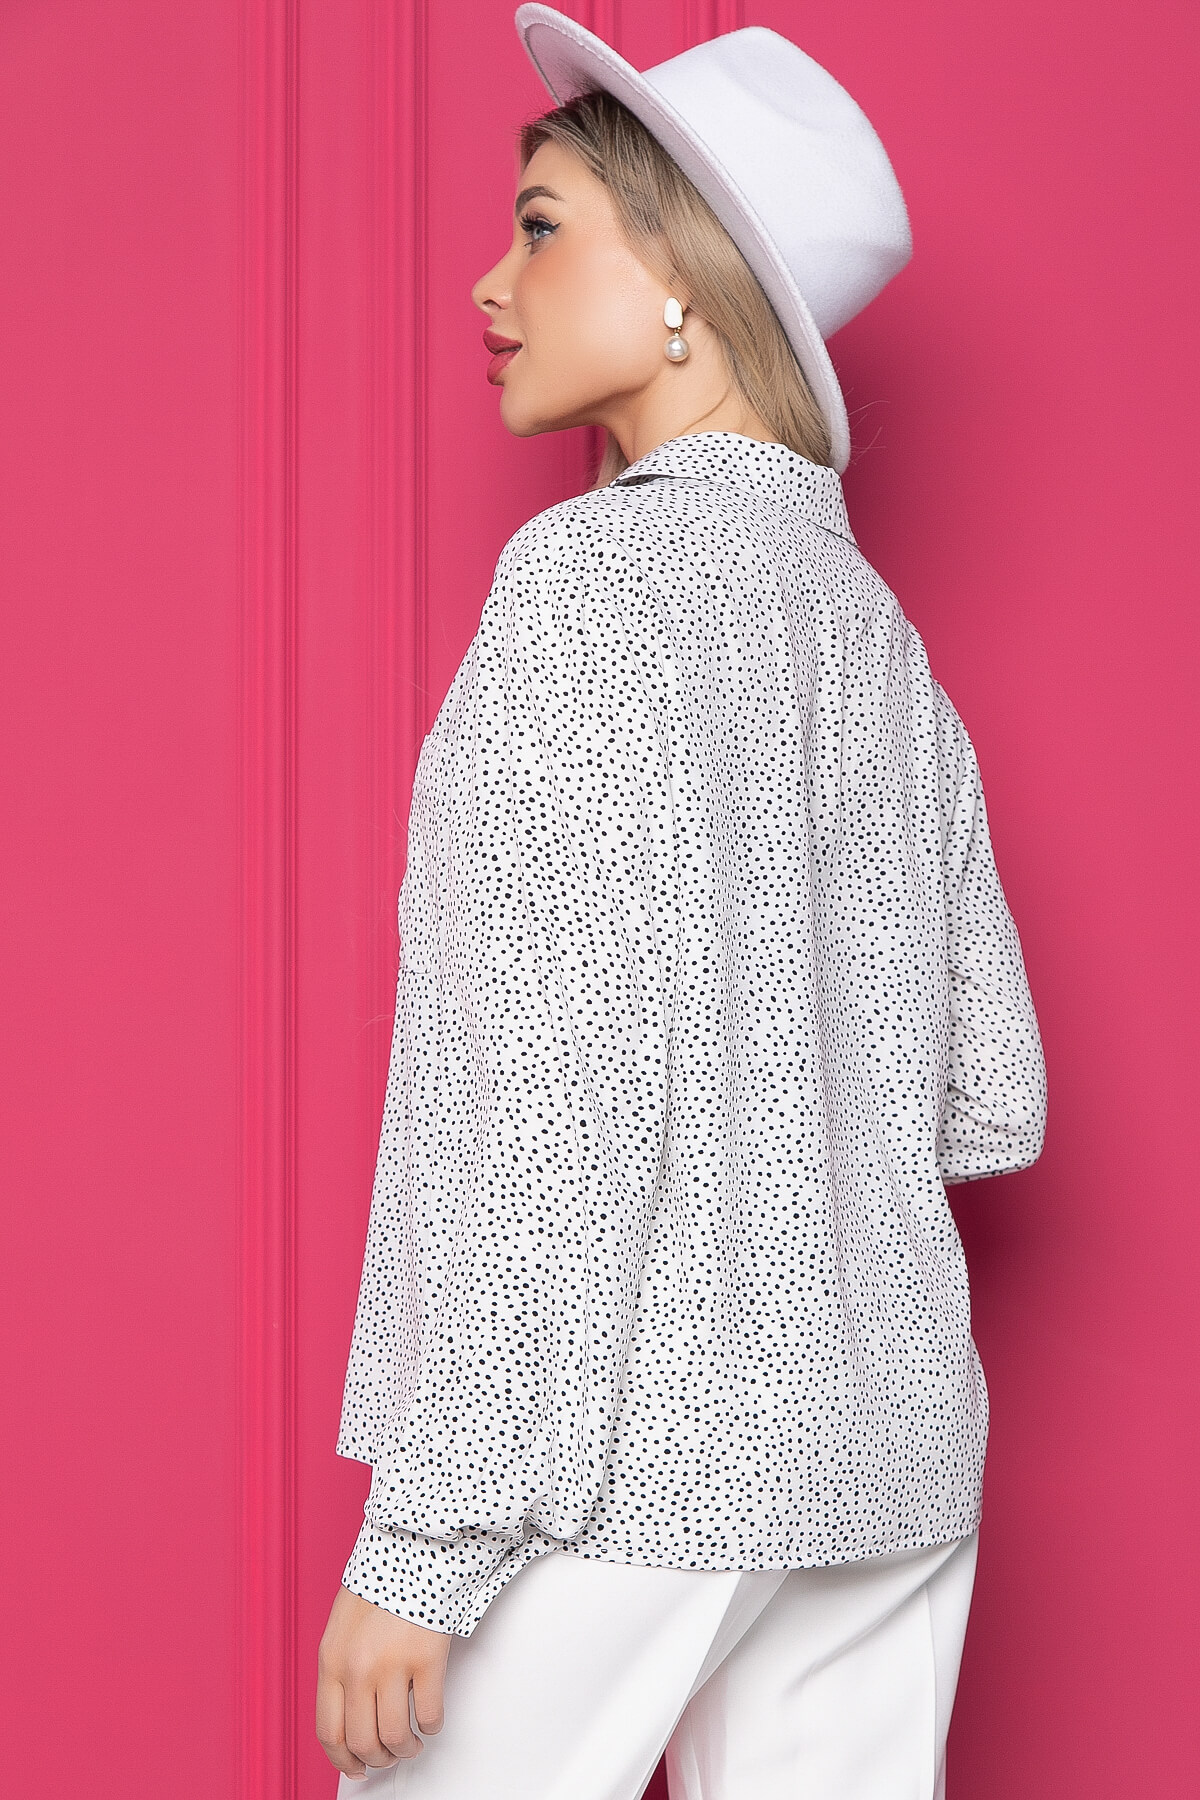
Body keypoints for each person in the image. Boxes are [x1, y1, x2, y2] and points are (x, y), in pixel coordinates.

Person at [315, 7, 1048, 1796]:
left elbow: (555, 1104)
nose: (490, 283)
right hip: (887, 1450)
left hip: (632, 1459)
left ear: (685, 291)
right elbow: (992, 1100)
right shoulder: (878, 638)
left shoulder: (592, 589)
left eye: (542, 227)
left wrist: (427, 1537)